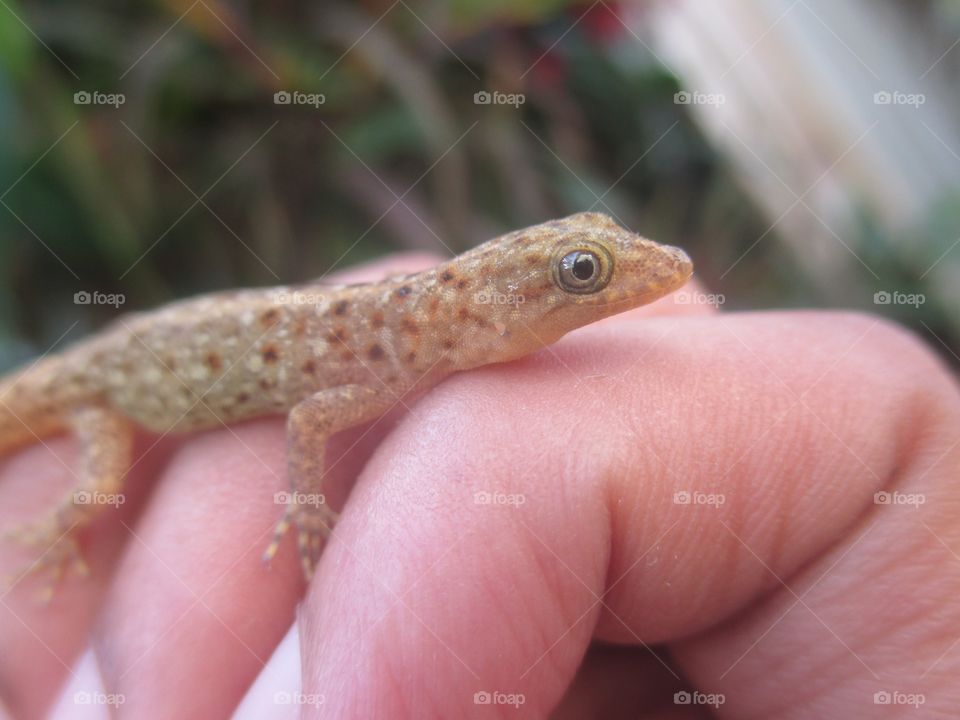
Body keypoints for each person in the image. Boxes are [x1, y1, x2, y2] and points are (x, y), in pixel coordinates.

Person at [2, 253, 958, 719]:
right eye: (583, 273)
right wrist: (302, 501)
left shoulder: (408, 347)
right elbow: (305, 420)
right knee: (90, 501)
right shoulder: (381, 354)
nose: (643, 279)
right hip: (98, 397)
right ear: (486, 303)